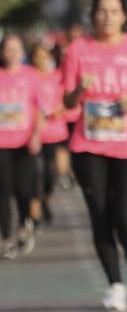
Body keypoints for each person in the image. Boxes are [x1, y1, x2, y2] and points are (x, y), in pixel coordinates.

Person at [62, 0, 127, 311]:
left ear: (124, 16)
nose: (108, 17)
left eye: (114, 11)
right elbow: (66, 101)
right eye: (102, 11)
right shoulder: (78, 49)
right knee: (100, 214)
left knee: (124, 215)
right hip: (89, 145)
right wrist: (80, 90)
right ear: (92, 16)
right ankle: (115, 285)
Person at [0, 35, 44, 259]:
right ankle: (5, 237)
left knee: (24, 189)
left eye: (16, 49)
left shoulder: (32, 76)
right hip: (2, 143)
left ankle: (24, 222)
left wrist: (36, 135)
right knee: (3, 191)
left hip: (25, 142)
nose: (12, 52)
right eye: (8, 48)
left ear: (23, 52)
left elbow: (39, 110)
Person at [29, 41, 67, 228]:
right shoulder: (27, 77)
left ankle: (45, 200)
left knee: (53, 175)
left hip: (55, 133)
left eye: (44, 56)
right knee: (35, 175)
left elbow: (66, 100)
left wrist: (58, 109)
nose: (41, 60)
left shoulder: (57, 77)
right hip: (32, 135)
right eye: (37, 56)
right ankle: (34, 213)